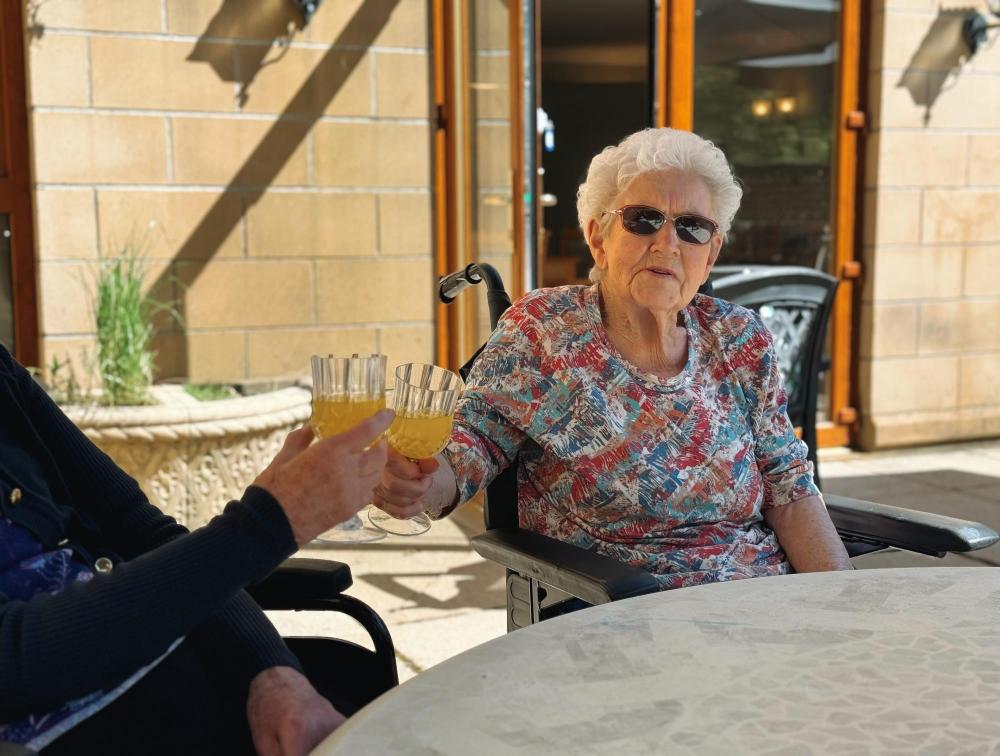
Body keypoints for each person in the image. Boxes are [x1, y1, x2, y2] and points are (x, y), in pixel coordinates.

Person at [376, 127, 852, 590]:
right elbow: (468, 448)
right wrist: (415, 480)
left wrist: (842, 606)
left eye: (692, 228)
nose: (667, 243)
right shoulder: (545, 330)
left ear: (710, 255)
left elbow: (788, 489)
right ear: (598, 238)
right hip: (625, 613)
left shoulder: (739, 337)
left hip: (761, 602)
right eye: (643, 219)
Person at [0, 342, 394, 755]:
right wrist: (268, 525)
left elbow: (143, 528)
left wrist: (270, 671)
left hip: (194, 675)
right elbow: (14, 659)